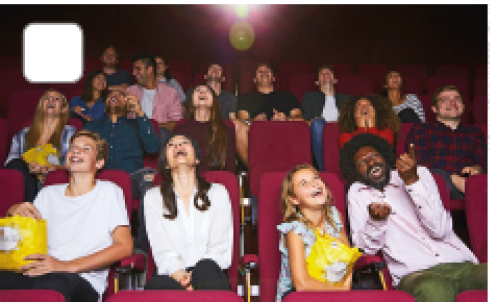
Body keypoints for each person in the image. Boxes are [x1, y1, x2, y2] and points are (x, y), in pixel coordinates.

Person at [339, 133, 486, 302]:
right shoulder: (357, 192)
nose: (372, 163)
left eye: (374, 155)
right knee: (433, 288)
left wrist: (412, 182)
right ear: (356, 174)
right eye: (362, 162)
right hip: (415, 273)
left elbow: (439, 230)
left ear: (385, 157)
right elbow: (364, 249)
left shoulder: (420, 173)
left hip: (461, 265)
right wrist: (376, 222)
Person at [0, 130, 133, 302]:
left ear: (99, 162)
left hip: (81, 280)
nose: (76, 151)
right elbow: (21, 241)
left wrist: (65, 266)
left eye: (86, 148)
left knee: (53, 283)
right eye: (73, 148)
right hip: (37, 273)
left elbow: (124, 246)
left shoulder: (109, 191)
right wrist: (13, 212)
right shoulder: (47, 194)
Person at [143, 133, 233, 291]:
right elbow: (162, 250)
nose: (178, 146)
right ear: (166, 164)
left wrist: (194, 277)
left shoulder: (218, 192)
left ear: (197, 159)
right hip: (174, 275)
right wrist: (181, 276)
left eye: (184, 143)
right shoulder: (152, 198)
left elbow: (220, 246)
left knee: (206, 269)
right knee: (155, 285)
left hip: (209, 274)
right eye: (171, 145)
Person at [83, 90, 161, 255]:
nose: (115, 96)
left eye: (121, 95)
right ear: (104, 105)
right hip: (99, 177)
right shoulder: (91, 127)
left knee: (150, 180)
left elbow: (153, 148)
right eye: (111, 94)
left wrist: (140, 113)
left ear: (127, 104)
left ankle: (142, 247)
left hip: (132, 176)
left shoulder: (138, 124)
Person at [277, 164, 351, 301]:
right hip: (299, 295)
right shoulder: (295, 230)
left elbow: (347, 260)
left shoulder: (335, 216)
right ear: (294, 199)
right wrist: (341, 291)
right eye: (303, 183)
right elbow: (301, 284)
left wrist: (345, 290)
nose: (314, 184)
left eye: (316, 178)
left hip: (335, 291)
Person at [405, 85, 486, 199]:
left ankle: (467, 187)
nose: (452, 103)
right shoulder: (421, 129)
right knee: (428, 174)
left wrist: (477, 168)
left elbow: (484, 160)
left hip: (469, 181)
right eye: (445, 100)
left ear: (463, 106)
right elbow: (419, 163)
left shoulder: (475, 132)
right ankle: (469, 189)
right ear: (434, 108)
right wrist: (451, 177)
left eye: (457, 99)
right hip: (434, 187)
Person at [5, 89, 77, 202]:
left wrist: (51, 168)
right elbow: (10, 163)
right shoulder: (22, 135)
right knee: (16, 164)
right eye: (46, 98)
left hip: (54, 183)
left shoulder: (71, 133)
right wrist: (29, 167)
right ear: (41, 106)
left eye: (56, 99)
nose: (51, 100)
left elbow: (77, 164)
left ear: (63, 109)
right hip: (26, 182)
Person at [234, 63, 303, 166]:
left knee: (309, 123)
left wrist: (286, 118)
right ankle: (254, 168)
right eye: (260, 71)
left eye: (268, 71)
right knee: (235, 124)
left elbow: (300, 118)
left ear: (274, 78)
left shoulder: (288, 96)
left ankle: (298, 169)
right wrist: (254, 121)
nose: (264, 73)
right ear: (254, 80)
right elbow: (242, 120)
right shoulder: (245, 98)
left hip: (284, 132)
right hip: (257, 135)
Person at [174, 84, 235, 173]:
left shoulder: (226, 131)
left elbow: (230, 170)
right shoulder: (180, 130)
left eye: (207, 91)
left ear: (214, 101)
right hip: (187, 181)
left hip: (216, 183)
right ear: (191, 101)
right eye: (198, 90)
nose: (202, 92)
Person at [127, 52, 182, 143]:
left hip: (160, 138)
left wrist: (149, 127)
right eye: (133, 70)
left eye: (138, 69)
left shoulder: (171, 93)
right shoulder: (130, 92)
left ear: (149, 70)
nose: (134, 73)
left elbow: (176, 123)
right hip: (133, 139)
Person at [302, 65, 350, 170]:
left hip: (342, 130)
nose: (326, 74)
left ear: (335, 80)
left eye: (329, 73)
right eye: (322, 74)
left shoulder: (346, 98)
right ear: (317, 82)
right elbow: (306, 120)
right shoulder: (310, 97)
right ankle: (323, 170)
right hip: (320, 132)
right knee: (318, 123)